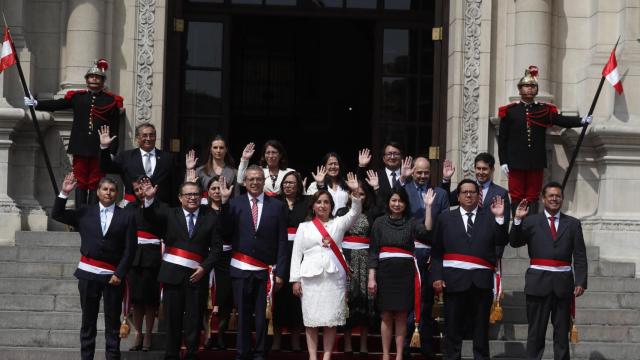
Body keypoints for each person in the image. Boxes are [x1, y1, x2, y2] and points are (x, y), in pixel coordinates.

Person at [51, 173, 136, 360]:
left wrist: (120, 273)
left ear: (118, 194)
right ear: (98, 192)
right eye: (104, 189)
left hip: (113, 277)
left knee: (112, 323)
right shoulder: (84, 212)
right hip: (88, 274)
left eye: (112, 190)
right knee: (88, 322)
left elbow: (131, 249)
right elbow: (57, 214)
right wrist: (64, 193)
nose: (108, 193)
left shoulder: (127, 216)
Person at [141, 179, 222, 360]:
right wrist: (148, 200)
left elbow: (217, 248)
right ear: (180, 197)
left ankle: (192, 354)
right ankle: (171, 355)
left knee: (194, 322)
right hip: (173, 276)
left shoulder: (210, 216)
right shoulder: (170, 214)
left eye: (196, 194)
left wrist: (204, 267)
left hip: (197, 276)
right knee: (172, 321)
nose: (192, 198)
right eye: (188, 194)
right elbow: (150, 218)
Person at [27, 59, 123, 208]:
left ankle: (91, 214)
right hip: (80, 146)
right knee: (80, 181)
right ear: (86, 80)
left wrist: (111, 151)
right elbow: (57, 104)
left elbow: (115, 129)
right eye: (91, 77)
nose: (94, 79)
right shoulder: (78, 97)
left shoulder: (111, 101)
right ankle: (80, 215)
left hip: (100, 149)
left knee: (96, 182)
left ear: (103, 80)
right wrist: (37, 104)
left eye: (97, 77)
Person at [430, 179, 508, 360]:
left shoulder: (490, 217)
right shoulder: (445, 218)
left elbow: (502, 241)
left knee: (480, 333)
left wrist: (500, 218)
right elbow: (436, 251)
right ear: (457, 196)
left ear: (479, 195)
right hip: (454, 282)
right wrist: (437, 276)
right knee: (452, 331)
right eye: (464, 192)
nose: (468, 195)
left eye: (472, 192)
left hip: (481, 284)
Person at [498, 65, 591, 215]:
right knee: (516, 195)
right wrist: (503, 161)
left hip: (536, 161)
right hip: (515, 161)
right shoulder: (509, 112)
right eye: (526, 86)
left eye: (532, 86)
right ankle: (517, 228)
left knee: (533, 195)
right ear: (520, 89)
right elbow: (503, 139)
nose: (529, 89)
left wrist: (581, 121)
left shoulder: (542, 110)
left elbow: (560, 120)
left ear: (537, 90)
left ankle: (532, 228)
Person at [509, 182, 587, 360]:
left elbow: (580, 255)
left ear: (562, 199)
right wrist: (518, 220)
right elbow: (514, 242)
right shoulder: (531, 221)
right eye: (550, 195)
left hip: (563, 286)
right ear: (543, 199)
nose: (554, 199)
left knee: (561, 336)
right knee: (536, 333)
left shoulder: (573, 224)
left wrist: (581, 281)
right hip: (538, 284)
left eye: (558, 196)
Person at [289, 172, 362, 360]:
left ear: (331, 206)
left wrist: (354, 193)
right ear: (313, 206)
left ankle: (327, 355)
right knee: (311, 321)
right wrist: (295, 280)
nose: (322, 205)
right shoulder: (303, 227)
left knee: (331, 321)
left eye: (326, 202)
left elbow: (355, 213)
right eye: (319, 202)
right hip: (310, 279)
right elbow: (296, 255)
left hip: (333, 278)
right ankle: (313, 356)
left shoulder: (338, 224)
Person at [220, 164, 289, 360]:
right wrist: (224, 202)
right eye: (251, 179)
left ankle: (259, 354)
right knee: (243, 314)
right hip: (241, 269)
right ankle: (242, 353)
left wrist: (281, 273)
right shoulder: (234, 204)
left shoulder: (277, 206)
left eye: (259, 178)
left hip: (265, 271)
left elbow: (282, 241)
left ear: (264, 180)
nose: (255, 182)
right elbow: (224, 231)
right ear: (244, 181)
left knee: (261, 316)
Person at [367, 187, 431, 360]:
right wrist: (372, 277)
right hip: (385, 273)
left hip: (405, 274)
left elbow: (427, 232)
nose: (397, 204)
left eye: (400, 201)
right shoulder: (379, 223)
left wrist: (429, 208)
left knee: (402, 316)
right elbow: (373, 252)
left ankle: (399, 355)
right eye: (393, 200)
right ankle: (386, 355)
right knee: (386, 315)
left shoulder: (411, 222)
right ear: (388, 202)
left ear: (405, 203)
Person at [401, 156, 450, 358]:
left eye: (426, 172)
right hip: (408, 254)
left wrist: (437, 253)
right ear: (413, 171)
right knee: (407, 300)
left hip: (430, 255)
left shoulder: (440, 194)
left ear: (431, 172)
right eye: (419, 172)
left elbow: (446, 225)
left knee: (427, 302)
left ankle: (427, 347)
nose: (422, 176)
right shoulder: (403, 191)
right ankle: (404, 347)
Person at [338, 171, 383, 355]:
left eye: (362, 193)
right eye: (355, 192)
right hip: (346, 260)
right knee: (348, 300)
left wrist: (377, 188)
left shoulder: (371, 213)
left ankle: (364, 345)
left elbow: (383, 209)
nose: (358, 196)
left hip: (365, 261)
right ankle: (348, 344)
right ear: (349, 194)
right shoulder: (342, 212)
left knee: (365, 303)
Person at [197, 175, 235, 351]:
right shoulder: (202, 210)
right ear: (208, 192)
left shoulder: (231, 208)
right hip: (207, 258)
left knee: (225, 298)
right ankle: (208, 333)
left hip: (227, 258)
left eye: (220, 188)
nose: (217, 191)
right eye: (213, 188)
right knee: (206, 297)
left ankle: (220, 333)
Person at [125, 177, 163, 352]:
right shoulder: (129, 207)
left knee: (150, 299)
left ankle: (148, 333)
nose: (141, 192)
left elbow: (157, 222)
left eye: (143, 188)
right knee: (136, 299)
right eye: (137, 190)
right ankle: (138, 333)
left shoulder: (159, 206)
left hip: (151, 257)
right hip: (133, 256)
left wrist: (150, 200)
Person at [272, 171, 308, 352]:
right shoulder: (274, 202)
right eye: (285, 183)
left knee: (297, 297)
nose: (288, 186)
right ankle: (277, 340)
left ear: (299, 185)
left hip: (301, 253)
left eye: (292, 183)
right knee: (278, 296)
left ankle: (295, 340)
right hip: (280, 252)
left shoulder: (307, 202)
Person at [99, 123, 176, 205]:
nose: (148, 138)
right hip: (134, 208)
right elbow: (105, 168)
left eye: (152, 135)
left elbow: (174, 185)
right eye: (145, 135)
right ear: (137, 138)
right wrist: (104, 147)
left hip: (161, 208)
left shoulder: (167, 158)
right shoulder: (126, 156)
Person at [185, 135, 238, 200]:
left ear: (226, 149)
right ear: (210, 149)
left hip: (226, 208)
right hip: (204, 208)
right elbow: (187, 191)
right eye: (215, 147)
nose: (218, 150)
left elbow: (236, 196)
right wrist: (189, 169)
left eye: (221, 148)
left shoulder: (233, 172)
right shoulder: (201, 170)